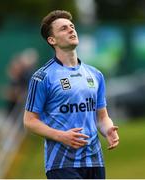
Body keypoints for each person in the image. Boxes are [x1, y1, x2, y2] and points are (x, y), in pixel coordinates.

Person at [24, 10, 119, 179]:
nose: (71, 30)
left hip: (94, 160)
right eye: (63, 28)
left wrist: (108, 129)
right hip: (62, 163)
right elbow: (29, 122)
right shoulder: (42, 77)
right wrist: (62, 136)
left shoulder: (95, 74)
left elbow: (102, 117)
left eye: (72, 26)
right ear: (52, 40)